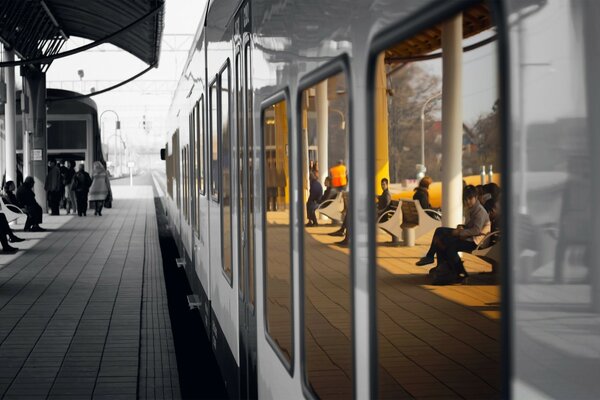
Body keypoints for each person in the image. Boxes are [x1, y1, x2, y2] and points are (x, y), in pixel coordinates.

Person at [416, 185, 490, 284]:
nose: (467, 201)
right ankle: (440, 266)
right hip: (469, 237)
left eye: (470, 198)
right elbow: (470, 226)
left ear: (475, 197)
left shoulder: (479, 211)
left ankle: (457, 272)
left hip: (476, 242)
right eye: (465, 199)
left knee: (448, 244)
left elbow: (476, 230)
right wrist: (461, 227)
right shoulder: (472, 208)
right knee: (440, 231)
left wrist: (460, 232)